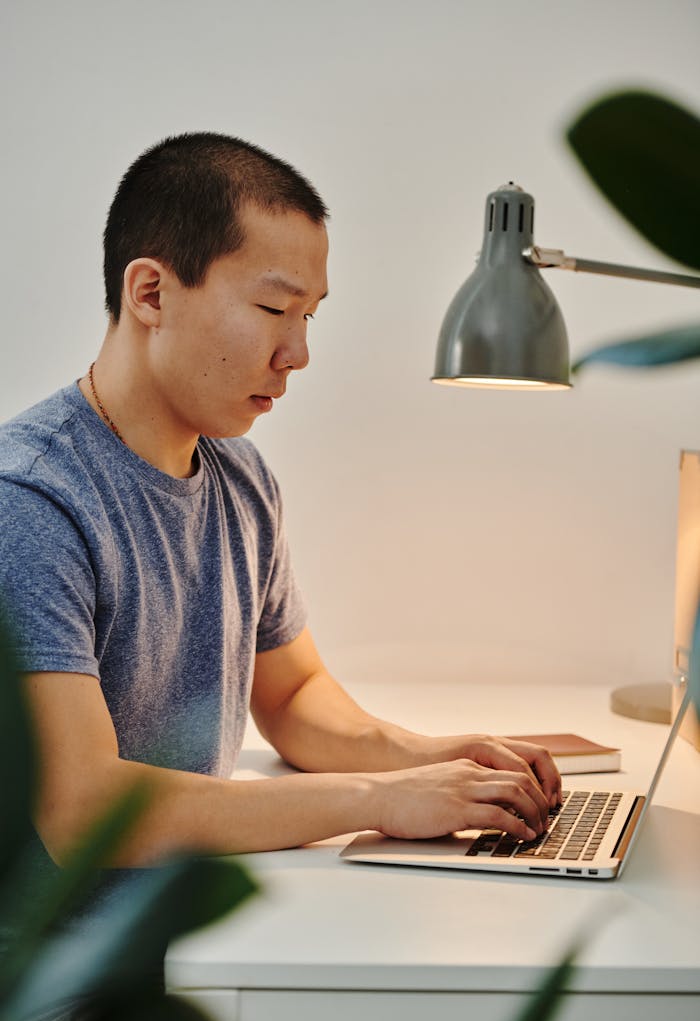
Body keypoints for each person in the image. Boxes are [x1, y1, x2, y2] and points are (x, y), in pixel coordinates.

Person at [0, 132, 561, 870]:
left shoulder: (240, 475)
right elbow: (84, 809)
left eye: (310, 316)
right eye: (273, 308)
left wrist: (437, 759)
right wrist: (377, 799)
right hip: (65, 973)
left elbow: (293, 696)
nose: (297, 354)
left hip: (183, 918)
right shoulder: (32, 503)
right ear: (150, 293)